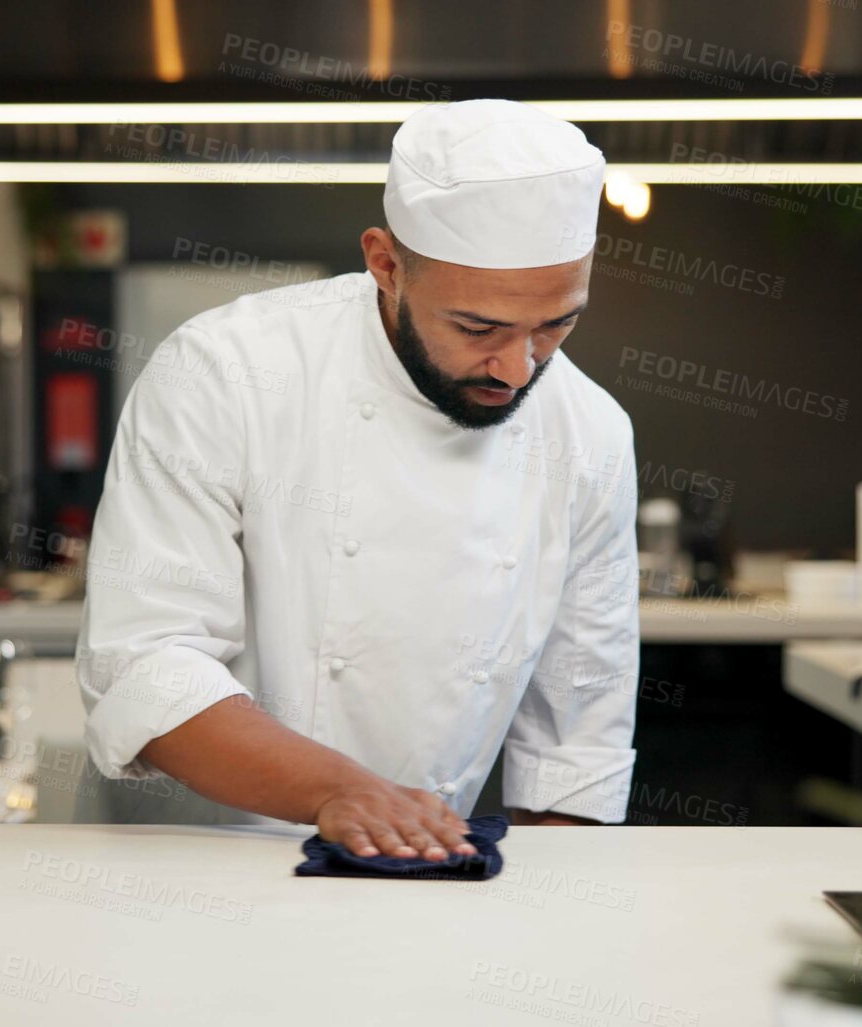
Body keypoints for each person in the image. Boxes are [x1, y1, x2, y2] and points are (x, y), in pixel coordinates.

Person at [78, 99, 638, 861]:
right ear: (385, 262)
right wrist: (337, 791)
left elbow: (577, 747)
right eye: (478, 329)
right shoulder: (228, 371)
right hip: (195, 869)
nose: (518, 370)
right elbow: (146, 664)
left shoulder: (590, 432)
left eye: (555, 325)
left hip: (424, 875)